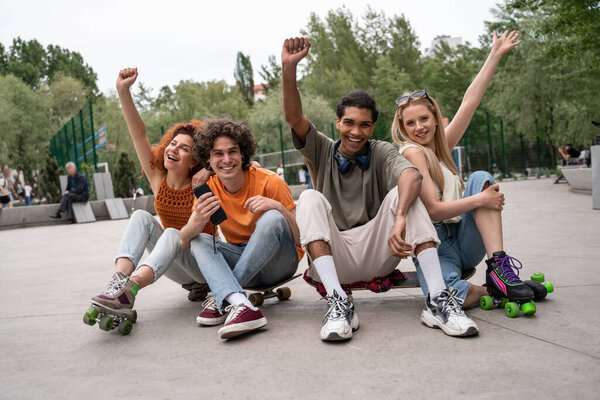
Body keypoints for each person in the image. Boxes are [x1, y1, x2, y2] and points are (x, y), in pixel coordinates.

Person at [282, 37, 477, 341]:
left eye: (364, 125)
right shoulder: (320, 148)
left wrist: (400, 217)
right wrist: (289, 68)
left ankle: (438, 300)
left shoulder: (382, 150)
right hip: (334, 255)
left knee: (407, 189)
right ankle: (338, 302)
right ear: (337, 123)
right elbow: (294, 118)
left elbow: (412, 175)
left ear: (372, 127)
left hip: (379, 251)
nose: (355, 132)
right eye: (349, 123)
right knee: (308, 197)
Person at [393, 30, 533, 308]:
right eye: (410, 123)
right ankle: (490, 290)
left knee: (481, 177)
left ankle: (498, 269)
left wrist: (494, 55)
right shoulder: (411, 152)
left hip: (465, 240)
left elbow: (470, 101)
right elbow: (432, 210)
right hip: (436, 244)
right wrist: (481, 199)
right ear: (403, 128)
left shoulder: (442, 145)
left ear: (435, 118)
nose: (418, 127)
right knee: (449, 296)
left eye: (423, 118)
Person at [87, 68, 214, 318]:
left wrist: (210, 170)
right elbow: (139, 135)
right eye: (173, 143)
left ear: (194, 160)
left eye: (184, 148)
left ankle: (130, 291)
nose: (173, 149)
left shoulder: (204, 183)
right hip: (178, 269)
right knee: (141, 217)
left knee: (171, 233)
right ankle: (118, 283)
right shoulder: (158, 178)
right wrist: (123, 91)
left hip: (204, 265)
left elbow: (242, 164)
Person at [179, 117, 302, 340]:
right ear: (209, 158)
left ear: (243, 153)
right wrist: (195, 222)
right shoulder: (210, 189)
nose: (226, 159)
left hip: (280, 263)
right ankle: (240, 304)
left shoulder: (270, 182)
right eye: (218, 153)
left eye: (232, 151)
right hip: (246, 262)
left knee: (272, 217)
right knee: (199, 239)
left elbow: (300, 239)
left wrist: (278, 208)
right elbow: (184, 242)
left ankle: (222, 297)